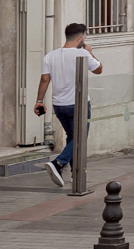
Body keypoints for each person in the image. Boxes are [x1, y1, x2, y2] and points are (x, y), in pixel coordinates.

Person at [35, 23, 104, 187]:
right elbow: (99, 69)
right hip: (78, 104)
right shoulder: (83, 54)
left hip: (59, 105)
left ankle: (76, 174)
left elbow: (45, 79)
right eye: (85, 37)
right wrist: (90, 52)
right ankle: (58, 163)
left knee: (73, 138)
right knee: (80, 138)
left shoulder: (50, 56)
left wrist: (39, 101)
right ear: (80, 37)